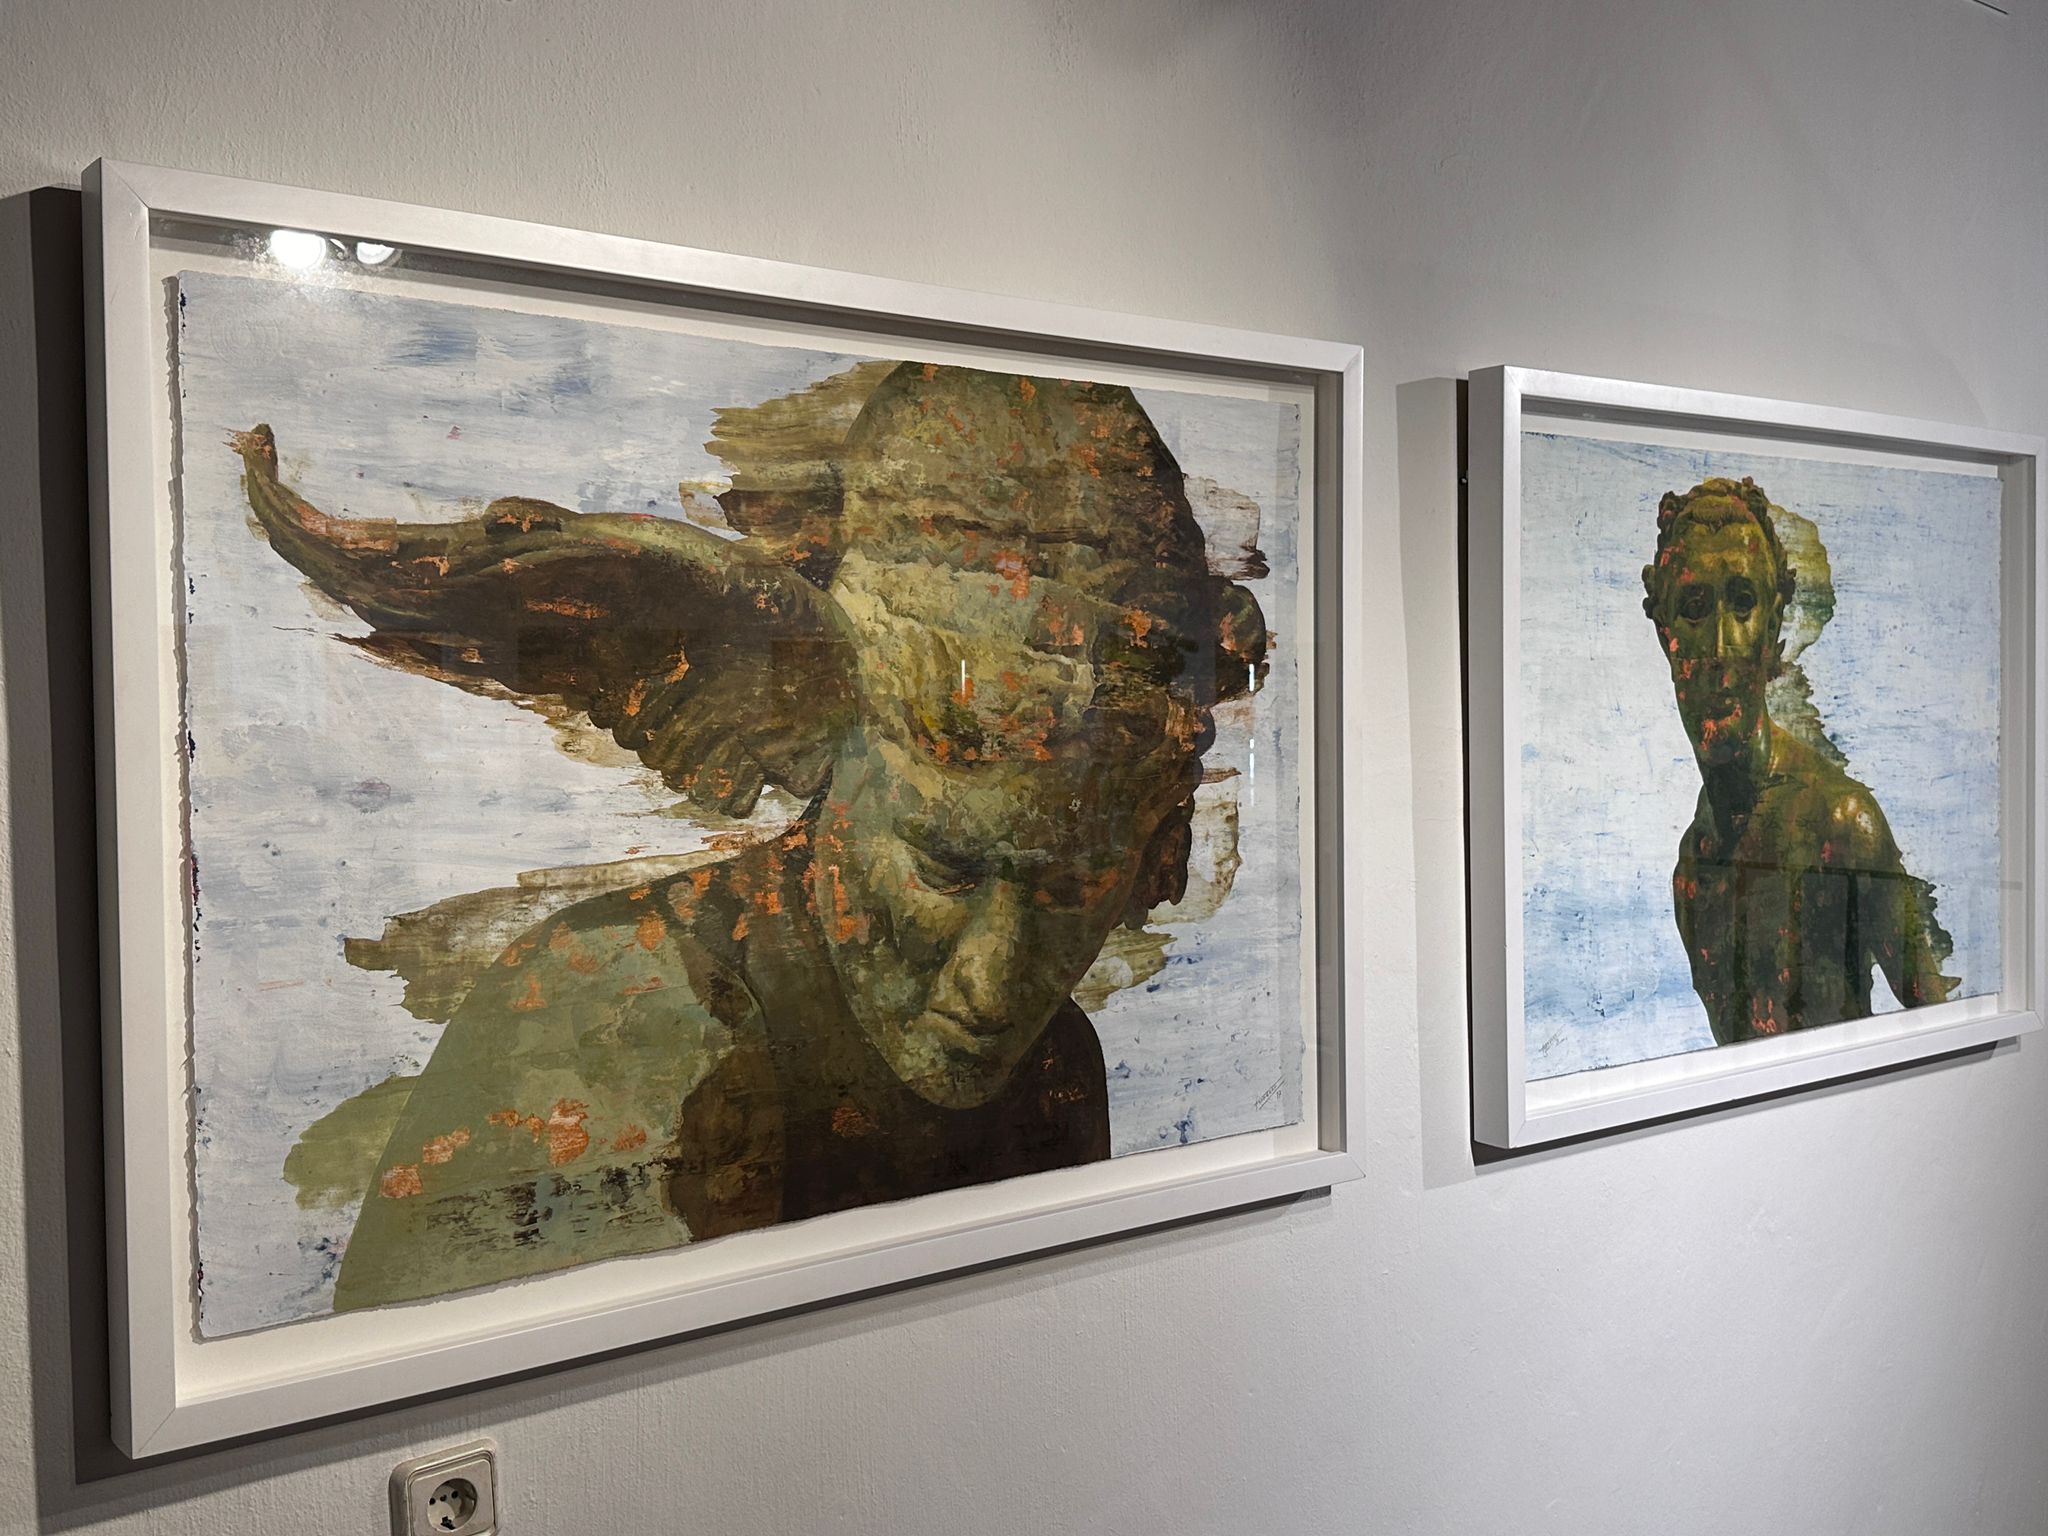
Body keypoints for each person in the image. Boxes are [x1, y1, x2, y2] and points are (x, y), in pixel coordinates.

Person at [234, 361, 1266, 1308]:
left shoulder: (1052, 1070)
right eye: (944, 868)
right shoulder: (621, 1012)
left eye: (1072, 887)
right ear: (815, 740)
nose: (993, 986)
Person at [1640, 476, 1956, 1045]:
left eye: (1742, 603)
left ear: (1773, 626)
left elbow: (1942, 1037)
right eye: (1694, 607)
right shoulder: (1694, 868)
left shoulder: (1841, 825)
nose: (1720, 647)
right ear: (1667, 635)